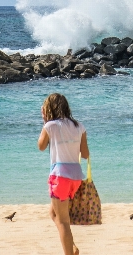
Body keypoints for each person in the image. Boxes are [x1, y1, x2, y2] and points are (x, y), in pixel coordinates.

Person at [38, 93, 89, 255]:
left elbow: (41, 146)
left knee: (62, 221)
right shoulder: (79, 126)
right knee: (54, 213)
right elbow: (85, 154)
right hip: (75, 177)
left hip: (59, 176)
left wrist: (45, 122)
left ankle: (69, 252)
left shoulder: (50, 126)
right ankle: (72, 246)